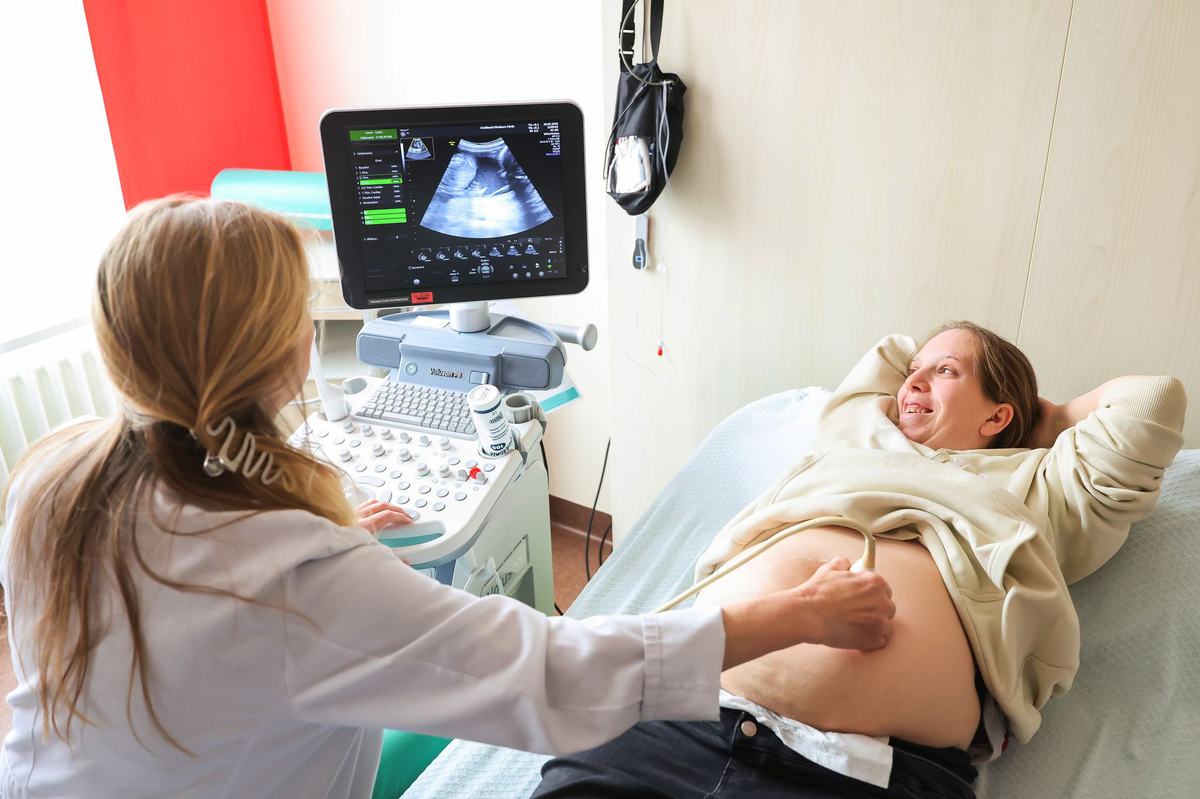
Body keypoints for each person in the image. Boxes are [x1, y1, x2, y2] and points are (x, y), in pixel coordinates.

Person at [0, 197, 896, 799]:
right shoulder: (298, 581)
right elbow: (556, 675)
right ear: (279, 355)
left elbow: (196, 624)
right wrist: (796, 613)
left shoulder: (51, 476)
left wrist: (322, 539)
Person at [533, 322, 1187, 798]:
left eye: (946, 372)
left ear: (999, 416)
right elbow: (891, 352)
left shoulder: (1039, 490)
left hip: (867, 772)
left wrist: (1038, 422)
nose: (913, 382)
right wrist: (941, 378)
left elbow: (1152, 401)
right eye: (913, 374)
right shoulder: (853, 435)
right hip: (683, 712)